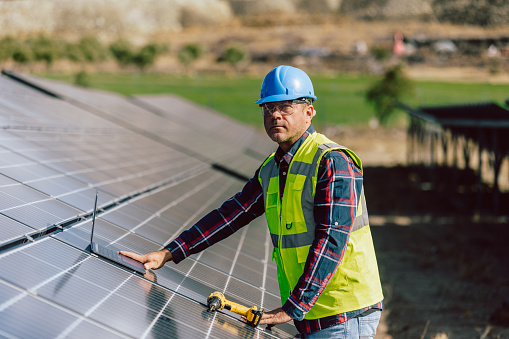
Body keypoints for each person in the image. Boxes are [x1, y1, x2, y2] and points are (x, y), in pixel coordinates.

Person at [121, 65, 384, 338]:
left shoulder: (332, 162)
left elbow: (332, 239)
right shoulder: (273, 167)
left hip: (343, 314)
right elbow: (231, 214)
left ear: (309, 111)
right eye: (268, 108)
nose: (275, 115)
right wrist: (170, 252)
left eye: (286, 107)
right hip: (311, 314)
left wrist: (292, 308)